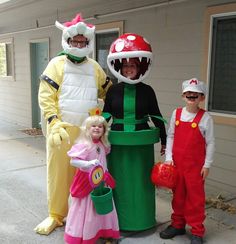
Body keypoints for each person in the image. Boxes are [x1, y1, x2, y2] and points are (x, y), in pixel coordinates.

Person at [34, 13, 112, 235]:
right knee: (59, 174)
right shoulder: (56, 64)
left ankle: (83, 215)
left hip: (88, 133)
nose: (79, 45)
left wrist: (105, 113)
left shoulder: (95, 67)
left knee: (88, 174)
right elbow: (46, 96)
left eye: (82, 41)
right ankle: (56, 215)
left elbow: (108, 90)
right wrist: (54, 123)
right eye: (75, 41)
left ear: (87, 42)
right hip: (63, 130)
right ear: (67, 41)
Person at [103, 33, 167, 231]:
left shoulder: (148, 90)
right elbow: (105, 115)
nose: (129, 69)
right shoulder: (113, 91)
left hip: (141, 146)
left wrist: (165, 140)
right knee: (119, 183)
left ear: (140, 69)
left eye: (133, 65)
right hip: (118, 145)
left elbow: (156, 115)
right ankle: (120, 222)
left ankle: (143, 220)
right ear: (120, 68)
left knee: (141, 183)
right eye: (125, 66)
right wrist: (93, 133)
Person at [159, 78, 215, 244]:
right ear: (183, 96)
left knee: (195, 199)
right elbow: (171, 136)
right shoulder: (176, 114)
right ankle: (178, 224)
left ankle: (197, 230)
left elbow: (210, 142)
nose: (191, 96)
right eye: (188, 93)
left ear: (202, 97)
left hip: (195, 168)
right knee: (178, 196)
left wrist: (207, 165)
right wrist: (169, 158)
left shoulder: (205, 118)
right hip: (177, 165)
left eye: (195, 94)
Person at [64, 114, 120, 244]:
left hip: (101, 182)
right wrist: (87, 164)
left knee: (102, 207)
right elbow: (73, 161)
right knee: (86, 210)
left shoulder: (103, 144)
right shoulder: (84, 144)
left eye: (100, 126)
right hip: (87, 184)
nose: (97, 128)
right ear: (87, 129)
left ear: (104, 130)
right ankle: (84, 235)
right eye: (93, 126)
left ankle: (104, 231)